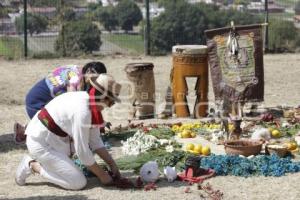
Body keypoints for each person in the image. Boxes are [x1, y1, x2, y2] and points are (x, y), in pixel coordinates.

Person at [15, 74, 122, 190]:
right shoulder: (83, 111)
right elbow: (82, 152)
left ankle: (47, 163)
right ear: (103, 98)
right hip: (40, 142)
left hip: (54, 141)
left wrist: (112, 164)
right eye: (111, 102)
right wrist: (102, 175)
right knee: (78, 183)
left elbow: (95, 140)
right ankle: (32, 165)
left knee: (72, 173)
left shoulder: (89, 103)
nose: (109, 106)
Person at [14, 62, 107, 144]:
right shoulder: (75, 80)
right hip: (36, 104)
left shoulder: (79, 71)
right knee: (60, 132)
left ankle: (25, 128)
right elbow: (73, 106)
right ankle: (24, 131)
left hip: (36, 99)